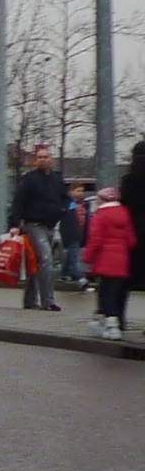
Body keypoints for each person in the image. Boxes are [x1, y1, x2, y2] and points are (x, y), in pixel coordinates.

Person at [8, 145, 68, 312]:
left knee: (35, 263)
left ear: (52, 160)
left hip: (51, 225)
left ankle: (30, 299)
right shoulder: (29, 179)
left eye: (45, 157)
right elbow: (18, 202)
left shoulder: (58, 179)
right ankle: (48, 301)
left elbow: (65, 198)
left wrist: (62, 210)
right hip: (33, 225)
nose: (42, 160)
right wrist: (14, 224)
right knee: (46, 259)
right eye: (39, 157)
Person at [82, 187, 137, 340]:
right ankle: (105, 320)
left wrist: (87, 258)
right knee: (114, 291)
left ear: (102, 199)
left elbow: (95, 239)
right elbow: (131, 240)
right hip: (121, 261)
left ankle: (111, 325)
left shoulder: (100, 215)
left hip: (104, 261)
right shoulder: (124, 214)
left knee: (105, 294)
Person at [120, 141, 145, 317]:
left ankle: (118, 318)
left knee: (124, 282)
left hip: (133, 236)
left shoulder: (128, 180)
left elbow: (124, 206)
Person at [59, 183, 90, 291]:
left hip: (80, 235)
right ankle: (81, 280)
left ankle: (62, 274)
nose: (80, 193)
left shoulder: (85, 205)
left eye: (82, 191)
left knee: (71, 257)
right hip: (71, 234)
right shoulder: (67, 204)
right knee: (75, 259)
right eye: (77, 190)